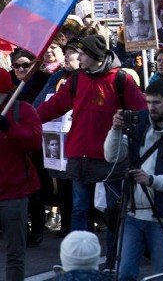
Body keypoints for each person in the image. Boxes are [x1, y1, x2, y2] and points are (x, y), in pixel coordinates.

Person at [37, 30, 147, 239]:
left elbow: (141, 114)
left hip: (110, 156)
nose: (78, 58)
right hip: (79, 154)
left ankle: (114, 255)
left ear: (95, 56)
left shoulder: (121, 79)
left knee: (112, 209)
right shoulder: (77, 78)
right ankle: (80, 254)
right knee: (79, 208)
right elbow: (55, 105)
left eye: (82, 54)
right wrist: (30, 118)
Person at [103, 78, 163, 281]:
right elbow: (112, 156)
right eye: (148, 102)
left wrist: (152, 180)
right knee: (125, 274)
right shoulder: (140, 123)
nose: (150, 107)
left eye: (156, 103)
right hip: (132, 214)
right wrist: (115, 130)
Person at [0, 67, 43, 281]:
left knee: (15, 253)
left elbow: (34, 141)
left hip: (13, 194)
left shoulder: (22, 110)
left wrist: (10, 128)